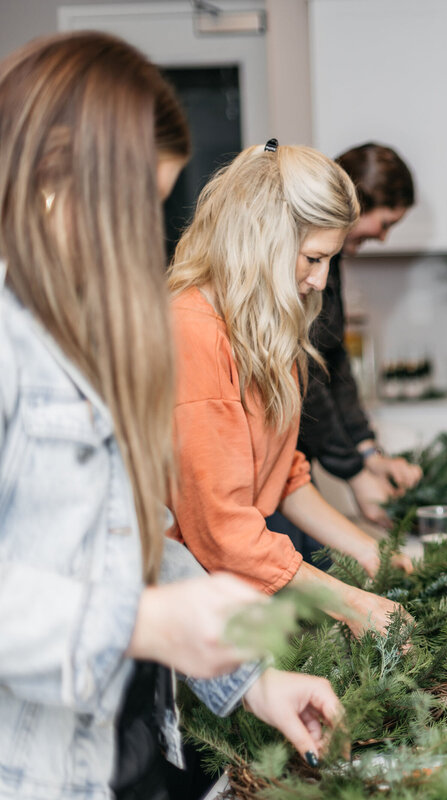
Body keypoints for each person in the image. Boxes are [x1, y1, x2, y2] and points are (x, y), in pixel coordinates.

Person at [0, 31, 343, 800]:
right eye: (129, 208)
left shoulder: (78, 332)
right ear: (52, 172)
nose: (137, 241)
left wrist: (255, 681)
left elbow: (138, 536)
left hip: (131, 751)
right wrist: (139, 624)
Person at [166, 142, 413, 638]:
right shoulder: (192, 333)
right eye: (314, 258)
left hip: (234, 592)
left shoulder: (259, 330)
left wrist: (370, 552)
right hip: (184, 607)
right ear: (264, 238)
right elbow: (223, 533)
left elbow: (283, 476)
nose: (321, 281)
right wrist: (352, 604)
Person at [280, 143, 421, 554]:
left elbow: (333, 359)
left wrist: (367, 451)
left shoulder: (326, 265)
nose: (383, 236)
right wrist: (355, 474)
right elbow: (304, 371)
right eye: (385, 222)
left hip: (295, 469)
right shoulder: (299, 267)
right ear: (359, 202)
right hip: (273, 468)